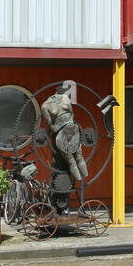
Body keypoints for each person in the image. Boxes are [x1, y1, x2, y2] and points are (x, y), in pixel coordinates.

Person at [41, 81, 88, 210]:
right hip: (73, 129)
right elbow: (72, 115)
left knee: (72, 161)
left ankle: (79, 180)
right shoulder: (65, 99)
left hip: (61, 134)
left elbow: (50, 124)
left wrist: (56, 128)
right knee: (79, 157)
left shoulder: (45, 105)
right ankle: (85, 180)